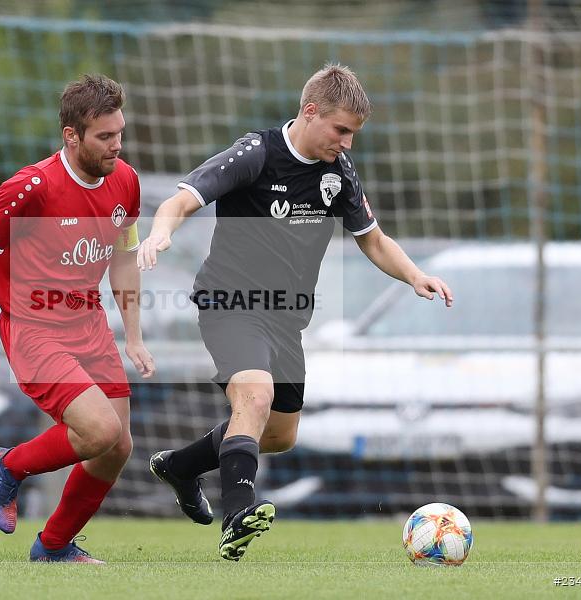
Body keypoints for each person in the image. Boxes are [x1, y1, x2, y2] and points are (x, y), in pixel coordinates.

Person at [137, 64, 453, 561]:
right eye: (341, 130)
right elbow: (181, 200)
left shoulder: (337, 172)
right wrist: (161, 233)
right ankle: (237, 515)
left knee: (279, 434)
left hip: (285, 318)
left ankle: (180, 466)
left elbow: (371, 238)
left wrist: (414, 274)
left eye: (353, 133)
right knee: (255, 396)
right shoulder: (256, 154)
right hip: (230, 303)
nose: (347, 143)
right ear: (311, 112)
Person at [0, 74, 154, 563]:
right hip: (32, 327)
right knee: (99, 431)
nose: (116, 146)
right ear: (72, 136)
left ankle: (53, 545)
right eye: (105, 137)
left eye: (120, 133)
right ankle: (9, 466)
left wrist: (134, 335)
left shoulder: (125, 181)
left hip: (87, 322)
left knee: (118, 445)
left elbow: (123, 255)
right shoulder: (33, 187)